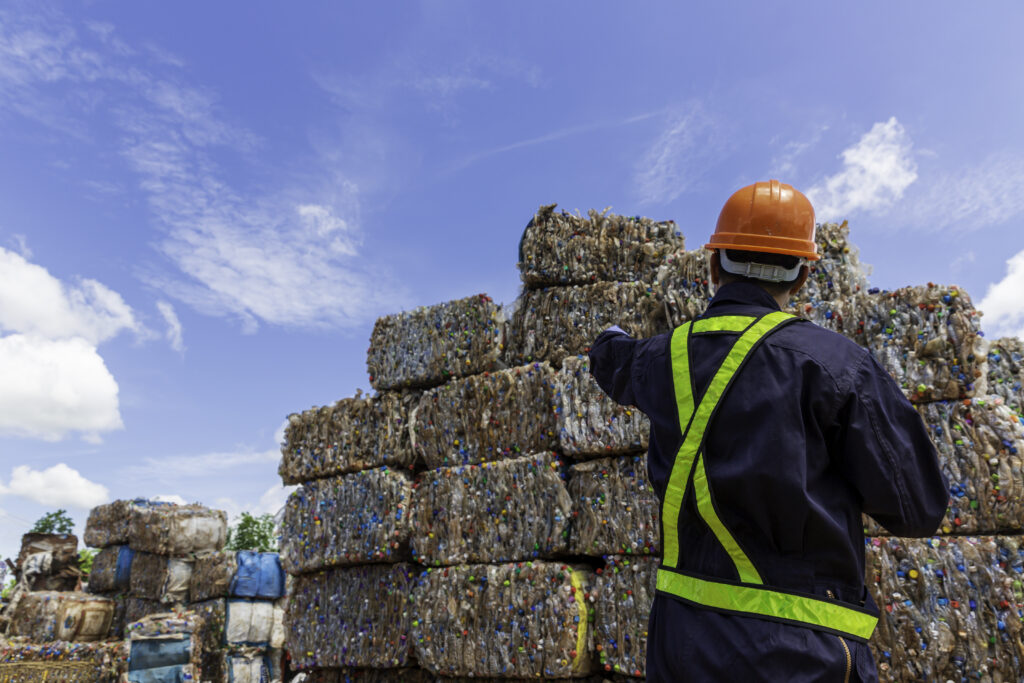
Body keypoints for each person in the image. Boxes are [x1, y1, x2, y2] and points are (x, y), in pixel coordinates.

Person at [588, 180, 948, 682]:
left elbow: (612, 361)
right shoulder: (840, 366)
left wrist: (609, 336)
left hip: (682, 643)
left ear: (714, 265)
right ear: (802, 277)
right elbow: (919, 509)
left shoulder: (659, 358)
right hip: (801, 652)